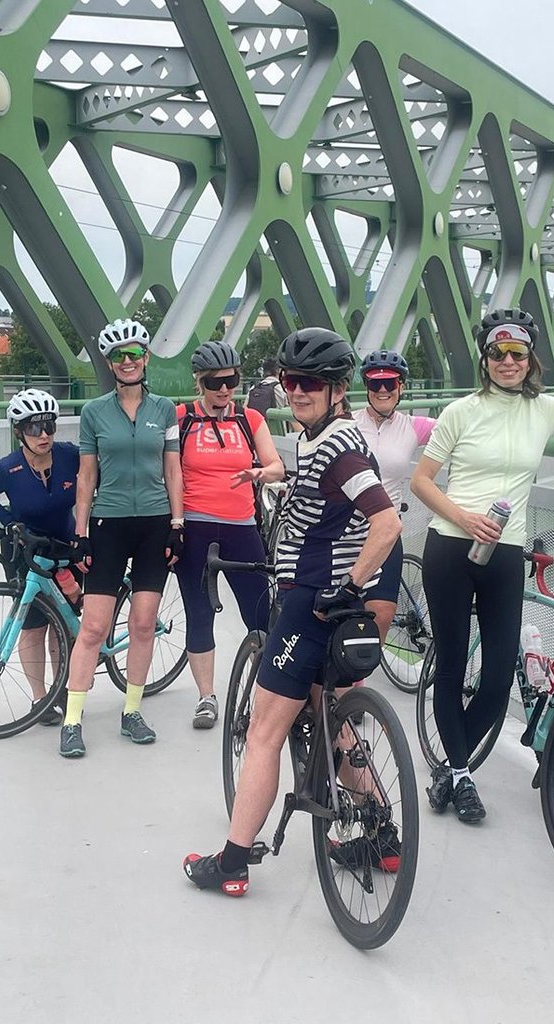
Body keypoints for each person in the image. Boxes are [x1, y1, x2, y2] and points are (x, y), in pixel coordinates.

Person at [183, 327, 401, 897]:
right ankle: (382, 831)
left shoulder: (338, 446)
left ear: (336, 388)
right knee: (332, 713)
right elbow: (324, 489)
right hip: (325, 603)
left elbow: (387, 522)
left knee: (263, 731)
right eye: (288, 380)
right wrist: (270, 474)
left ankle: (232, 861)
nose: (295, 390)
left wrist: (345, 586)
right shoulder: (324, 436)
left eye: (309, 382)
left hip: (311, 605)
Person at [410, 308, 554, 823]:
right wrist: (464, 516)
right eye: (498, 353)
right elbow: (422, 481)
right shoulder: (460, 411)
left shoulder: (544, 409)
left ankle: (448, 767)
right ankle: (460, 775)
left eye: (517, 353)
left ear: (530, 360)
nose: (508, 362)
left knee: (500, 674)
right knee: (454, 662)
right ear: (486, 358)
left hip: (507, 550)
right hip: (451, 545)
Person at [58, 318, 183, 759]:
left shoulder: (165, 410)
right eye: (118, 356)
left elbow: (172, 469)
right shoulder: (94, 412)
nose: (127, 362)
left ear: (145, 359)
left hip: (153, 524)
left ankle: (131, 712)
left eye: (134, 354)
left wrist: (178, 523)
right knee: (93, 627)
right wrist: (80, 533)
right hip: (108, 525)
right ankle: (72, 721)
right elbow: (86, 474)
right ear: (110, 364)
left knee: (143, 624)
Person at [175, 340, 285, 729]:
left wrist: (259, 473)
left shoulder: (250, 419)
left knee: (260, 613)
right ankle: (206, 698)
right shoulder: (182, 417)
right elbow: (164, 470)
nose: (224, 389)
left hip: (242, 526)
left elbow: (277, 466)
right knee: (198, 613)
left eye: (232, 380)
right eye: (215, 382)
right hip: (196, 528)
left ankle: (266, 695)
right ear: (199, 382)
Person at [0, 388, 80, 723]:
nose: (44, 435)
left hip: (65, 547)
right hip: (27, 553)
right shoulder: (8, 468)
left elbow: (96, 478)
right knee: (33, 626)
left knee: (64, 622)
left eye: (49, 425)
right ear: (19, 431)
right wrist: (11, 524)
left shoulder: (68, 455)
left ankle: (63, 687)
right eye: (34, 428)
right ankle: (40, 699)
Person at [352, 350, 435, 648]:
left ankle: (361, 679)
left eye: (390, 383)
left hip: (385, 529)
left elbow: (458, 432)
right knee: (338, 607)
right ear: (367, 387)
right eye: (376, 385)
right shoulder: (347, 422)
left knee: (383, 611)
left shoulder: (414, 427)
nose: (383, 390)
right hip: (345, 528)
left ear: (401, 387)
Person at [245, 358, 288, 428]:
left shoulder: (254, 388)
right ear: (278, 371)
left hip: (256, 429)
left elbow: (245, 407)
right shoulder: (280, 388)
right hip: (278, 432)